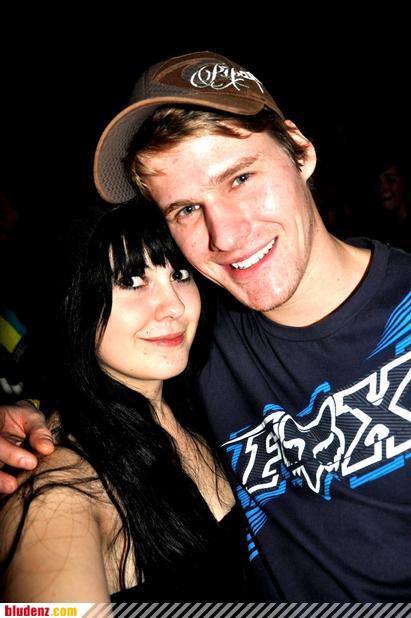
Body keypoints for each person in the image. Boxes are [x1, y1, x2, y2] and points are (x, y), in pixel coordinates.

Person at [2, 50, 411, 601]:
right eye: (186, 209)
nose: (226, 235)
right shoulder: (198, 345)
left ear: (300, 151)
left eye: (240, 177)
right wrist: (26, 419)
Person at [0, 199, 251, 601]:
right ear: (71, 302)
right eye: (132, 281)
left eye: (180, 274)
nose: (175, 306)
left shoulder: (213, 402)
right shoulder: (59, 492)